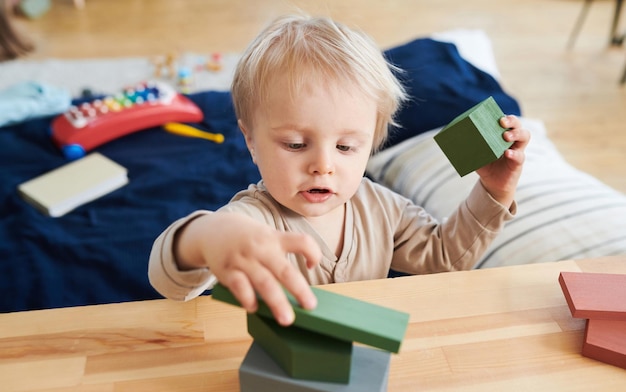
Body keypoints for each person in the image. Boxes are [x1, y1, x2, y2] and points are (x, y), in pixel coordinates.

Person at [148, 14, 530, 326]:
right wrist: (205, 236)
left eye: (346, 147)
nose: (323, 166)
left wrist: (493, 192)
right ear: (250, 140)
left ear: (372, 144)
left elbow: (444, 256)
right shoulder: (251, 224)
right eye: (296, 144)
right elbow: (169, 282)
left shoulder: (384, 208)